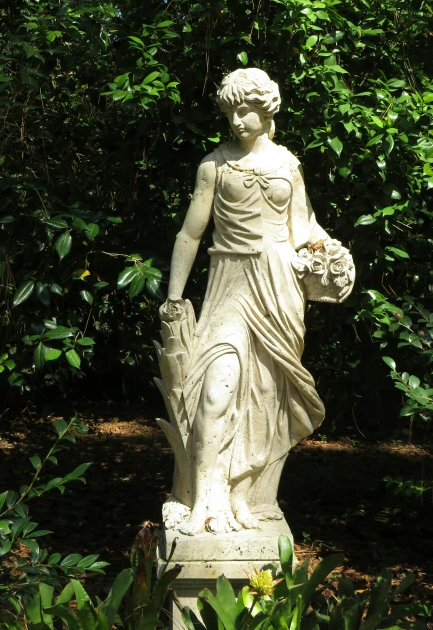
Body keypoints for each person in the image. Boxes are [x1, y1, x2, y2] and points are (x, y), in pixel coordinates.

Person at [166, 68, 328, 535]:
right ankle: (202, 500)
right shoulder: (214, 166)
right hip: (230, 285)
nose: (236, 120)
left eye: (245, 110)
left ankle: (241, 496)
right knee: (215, 391)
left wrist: (331, 255)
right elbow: (190, 233)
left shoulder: (288, 166)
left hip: (279, 288)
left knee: (264, 398)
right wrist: (174, 297)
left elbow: (305, 229)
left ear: (266, 110)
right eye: (230, 111)